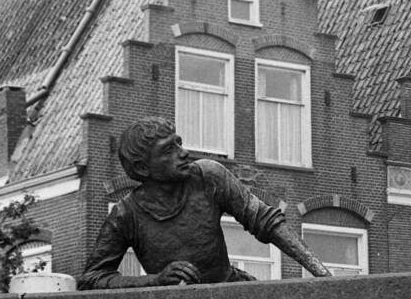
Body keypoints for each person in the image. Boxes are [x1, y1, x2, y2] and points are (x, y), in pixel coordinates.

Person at [79, 117, 331, 289]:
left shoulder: (208, 176)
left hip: (230, 289)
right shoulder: (125, 215)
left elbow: (266, 221)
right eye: (168, 150)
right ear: (142, 167)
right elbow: (91, 279)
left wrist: (322, 274)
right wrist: (154, 281)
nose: (184, 152)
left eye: (179, 142)